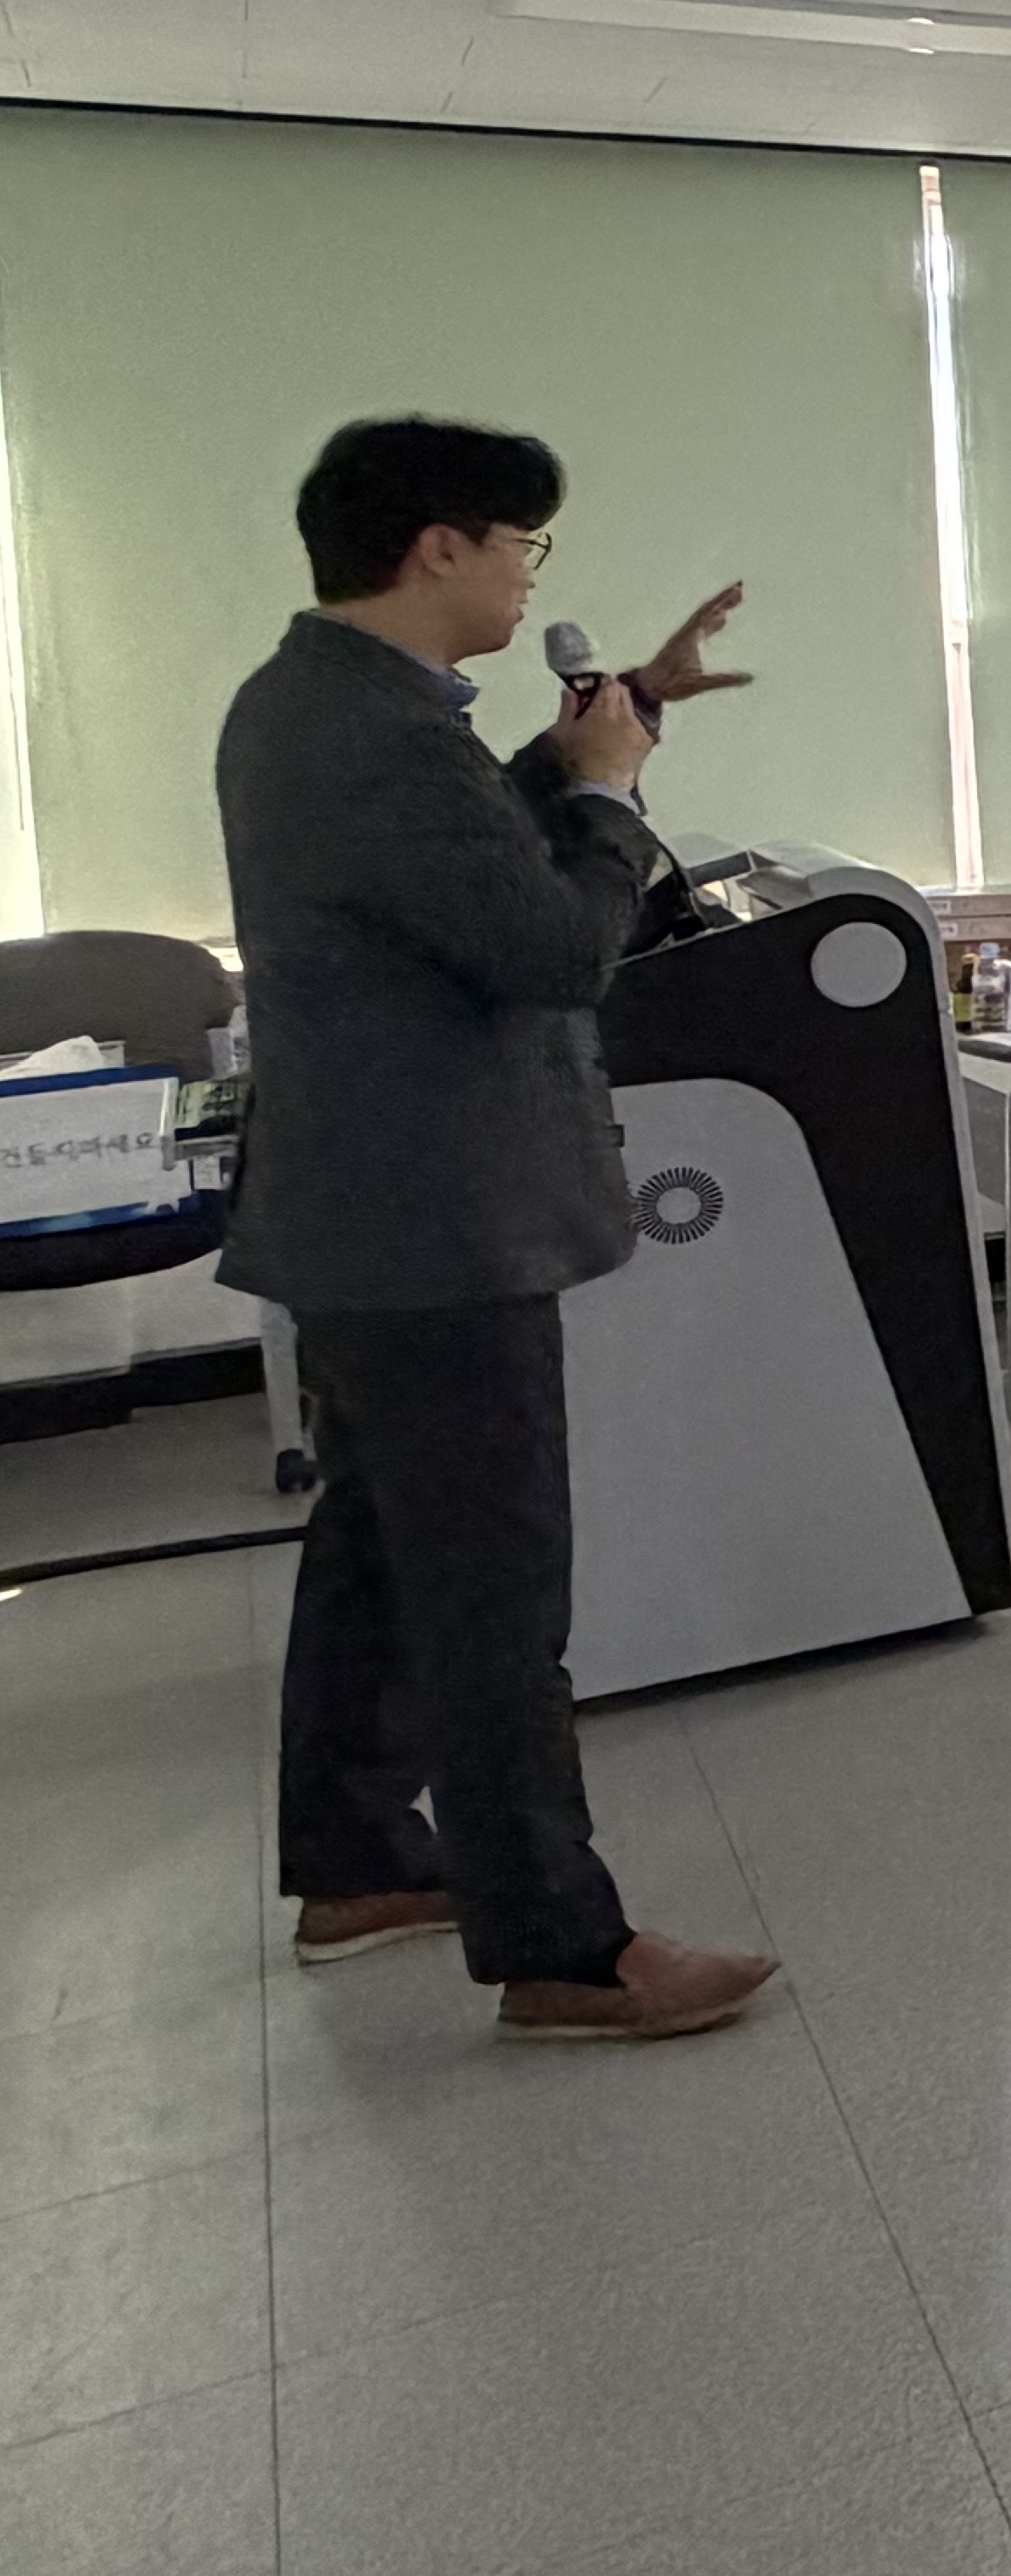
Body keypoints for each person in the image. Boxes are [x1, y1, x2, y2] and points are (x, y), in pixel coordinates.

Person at [221, 417, 782, 2043]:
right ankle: (560, 1946)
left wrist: (625, 715)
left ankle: (353, 1859)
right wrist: (611, 799)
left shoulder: (320, 702)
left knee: (382, 1548)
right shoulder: (382, 737)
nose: (535, 573)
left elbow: (455, 864)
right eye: (524, 542)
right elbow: (549, 949)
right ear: (440, 545)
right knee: (493, 1588)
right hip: (439, 1226)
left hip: (365, 1214)